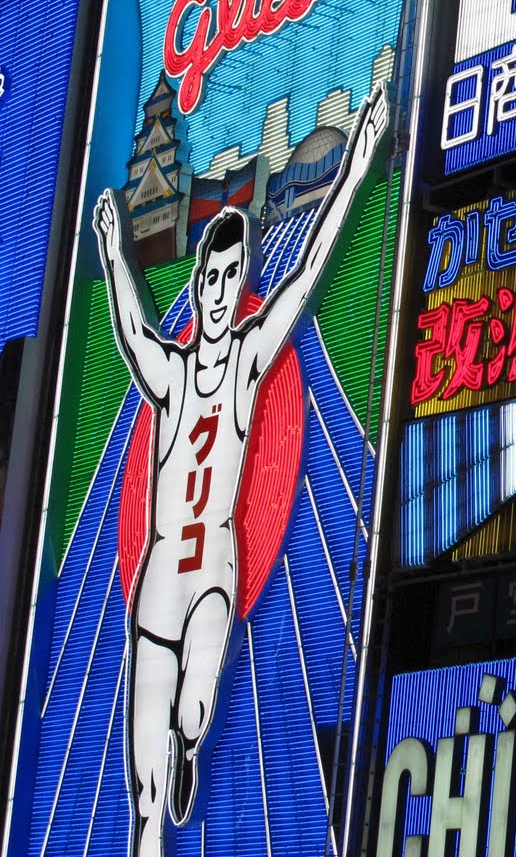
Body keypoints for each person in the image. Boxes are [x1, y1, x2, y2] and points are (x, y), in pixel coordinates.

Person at [93, 87, 388, 857]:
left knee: (193, 706)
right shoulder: (170, 374)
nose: (223, 291)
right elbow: (132, 330)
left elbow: (305, 277)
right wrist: (114, 255)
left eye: (232, 276)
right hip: (160, 571)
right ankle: (151, 826)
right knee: (142, 761)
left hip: (215, 568)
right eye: (213, 278)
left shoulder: (248, 362)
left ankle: (191, 746)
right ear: (198, 285)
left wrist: (357, 165)